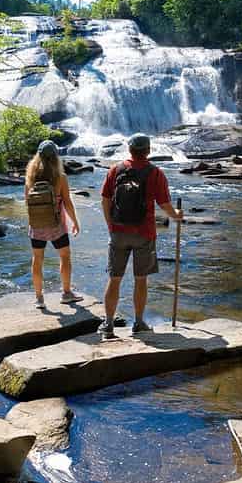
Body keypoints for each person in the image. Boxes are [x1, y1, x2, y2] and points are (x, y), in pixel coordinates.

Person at [99, 133, 184, 338]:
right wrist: (176, 216)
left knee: (114, 278)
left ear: (129, 149)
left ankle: (108, 325)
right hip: (144, 233)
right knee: (141, 279)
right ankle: (138, 323)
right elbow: (164, 204)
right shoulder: (155, 173)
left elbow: (105, 200)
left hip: (118, 232)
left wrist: (111, 225)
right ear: (148, 151)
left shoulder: (115, 170)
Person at [24, 140, 83, 309]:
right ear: (56, 157)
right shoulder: (60, 177)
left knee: (37, 259)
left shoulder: (30, 177)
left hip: (37, 225)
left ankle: (39, 298)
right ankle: (66, 293)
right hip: (57, 225)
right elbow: (67, 202)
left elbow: (27, 201)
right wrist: (75, 221)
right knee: (64, 256)